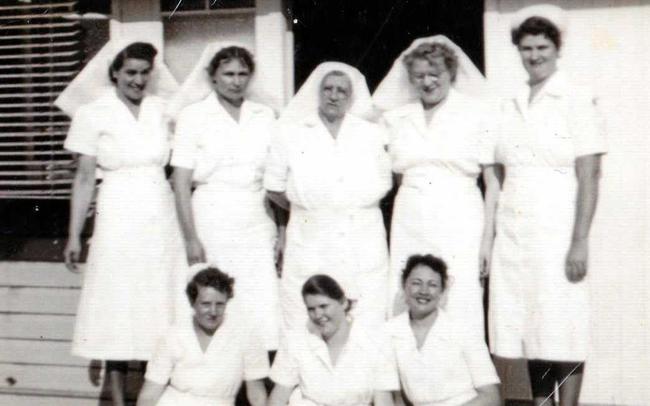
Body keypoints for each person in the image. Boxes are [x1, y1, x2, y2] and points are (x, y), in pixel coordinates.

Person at [487, 5, 607, 406]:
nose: (534, 56)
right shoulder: (511, 102)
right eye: (526, 48)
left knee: (565, 327)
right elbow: (501, 172)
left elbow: (589, 175)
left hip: (557, 229)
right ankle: (541, 402)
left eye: (541, 47)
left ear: (557, 49)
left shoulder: (575, 97)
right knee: (532, 326)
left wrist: (580, 240)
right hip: (516, 233)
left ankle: (568, 404)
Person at [57, 40, 183, 406]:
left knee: (155, 302)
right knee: (117, 303)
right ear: (115, 72)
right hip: (116, 210)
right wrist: (74, 236)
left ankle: (149, 396)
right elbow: (83, 179)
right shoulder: (93, 113)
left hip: (159, 211)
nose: (138, 80)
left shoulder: (163, 111)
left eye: (145, 73)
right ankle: (116, 399)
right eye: (131, 72)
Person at [373, 36, 499, 332]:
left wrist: (487, 240)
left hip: (461, 217)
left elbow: (492, 184)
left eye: (435, 74)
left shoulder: (477, 114)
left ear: (451, 74)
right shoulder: (397, 118)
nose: (427, 82)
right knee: (408, 295)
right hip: (410, 218)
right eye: (419, 75)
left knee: (460, 298)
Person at [265, 62, 392, 332]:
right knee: (308, 311)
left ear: (351, 97)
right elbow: (274, 187)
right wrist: (310, 208)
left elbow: (384, 180)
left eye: (342, 91)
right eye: (328, 89)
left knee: (365, 313)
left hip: (362, 234)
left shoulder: (370, 133)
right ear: (318, 93)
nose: (334, 95)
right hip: (311, 235)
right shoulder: (292, 132)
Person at [170, 43, 280, 351]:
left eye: (243, 73)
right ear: (213, 77)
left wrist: (281, 230)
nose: (236, 80)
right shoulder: (193, 116)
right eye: (228, 73)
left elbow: (276, 178)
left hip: (256, 219)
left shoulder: (265, 116)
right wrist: (191, 237)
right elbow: (180, 183)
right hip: (211, 219)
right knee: (214, 300)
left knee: (257, 302)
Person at [137, 267, 269, 406]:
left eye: (219, 304)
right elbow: (149, 395)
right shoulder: (174, 335)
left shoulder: (246, 335)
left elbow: (257, 395)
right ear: (192, 303)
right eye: (206, 304)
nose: (213, 311)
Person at [385, 254, 501, 406]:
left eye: (432, 285)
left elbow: (491, 397)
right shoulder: (389, 331)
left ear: (442, 291)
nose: (424, 291)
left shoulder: (463, 330)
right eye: (416, 283)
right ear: (403, 285)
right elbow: (395, 397)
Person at [268, 274, 398, 406]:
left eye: (323, 306)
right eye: (311, 309)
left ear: (343, 303)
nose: (318, 315)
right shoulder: (296, 341)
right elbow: (277, 399)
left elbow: (384, 402)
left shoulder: (375, 342)